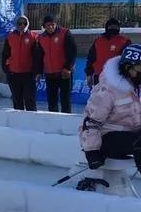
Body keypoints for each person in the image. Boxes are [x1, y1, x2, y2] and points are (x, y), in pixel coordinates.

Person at [81, 44, 141, 172]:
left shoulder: (136, 87)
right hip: (105, 138)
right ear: (127, 68)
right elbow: (91, 122)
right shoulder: (108, 89)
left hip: (129, 133)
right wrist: (92, 152)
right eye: (139, 68)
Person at [34, 14, 77, 113]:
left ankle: (66, 122)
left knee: (65, 99)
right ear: (44, 26)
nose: (50, 27)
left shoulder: (65, 33)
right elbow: (39, 57)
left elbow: (72, 51)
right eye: (48, 25)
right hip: (50, 74)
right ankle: (53, 122)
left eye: (52, 24)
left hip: (64, 73)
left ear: (56, 24)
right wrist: (39, 72)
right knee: (52, 101)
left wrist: (68, 68)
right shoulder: (41, 38)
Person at [1, 15, 38, 111]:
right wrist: (6, 68)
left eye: (24, 23)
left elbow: (36, 56)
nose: (22, 25)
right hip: (14, 73)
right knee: (17, 99)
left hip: (28, 73)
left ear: (27, 24)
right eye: (19, 23)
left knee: (29, 98)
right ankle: (17, 121)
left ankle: (32, 119)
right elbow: (5, 54)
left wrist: (35, 70)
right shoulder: (10, 37)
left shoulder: (33, 37)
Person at [85, 18, 131, 87]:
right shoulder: (98, 41)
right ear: (107, 28)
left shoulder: (125, 41)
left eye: (116, 27)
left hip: (116, 78)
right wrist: (89, 74)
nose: (114, 29)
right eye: (111, 27)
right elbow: (91, 58)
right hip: (99, 76)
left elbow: (128, 62)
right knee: (99, 97)